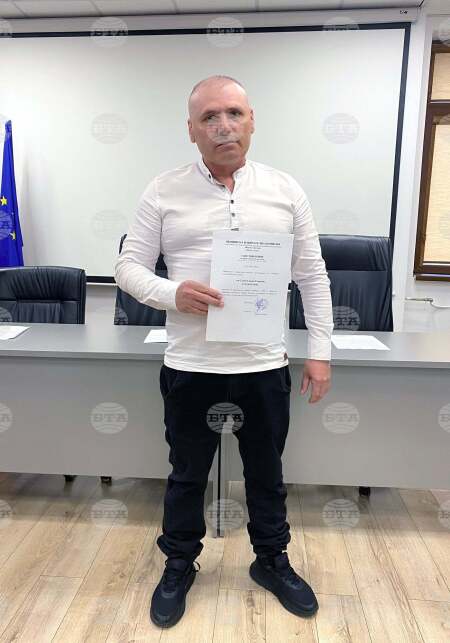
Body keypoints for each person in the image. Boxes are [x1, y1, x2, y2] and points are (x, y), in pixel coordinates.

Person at [115, 75, 333, 629]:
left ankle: (271, 560)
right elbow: (128, 267)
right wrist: (173, 293)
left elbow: (312, 275)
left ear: (252, 121)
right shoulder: (163, 190)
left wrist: (320, 350)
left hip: (263, 365)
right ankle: (179, 563)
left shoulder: (285, 190)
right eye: (209, 117)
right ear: (191, 130)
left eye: (234, 113)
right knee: (187, 474)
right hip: (191, 365)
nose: (223, 126)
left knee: (266, 472)